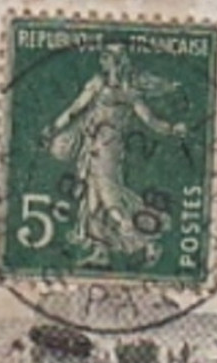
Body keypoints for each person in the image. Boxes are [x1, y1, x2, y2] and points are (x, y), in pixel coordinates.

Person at [42, 44, 188, 268]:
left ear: (118, 61)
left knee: (109, 196)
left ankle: (148, 243)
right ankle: (101, 252)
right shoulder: (97, 84)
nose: (102, 60)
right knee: (92, 203)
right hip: (92, 147)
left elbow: (149, 120)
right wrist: (54, 127)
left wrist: (171, 129)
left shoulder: (129, 91)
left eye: (107, 57)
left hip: (109, 149)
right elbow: (75, 109)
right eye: (102, 56)